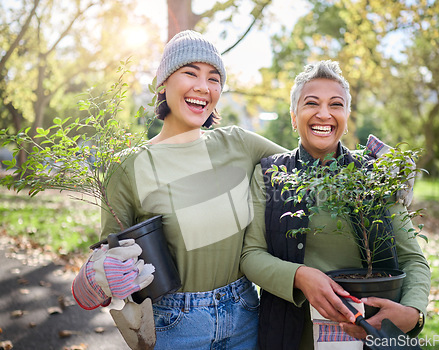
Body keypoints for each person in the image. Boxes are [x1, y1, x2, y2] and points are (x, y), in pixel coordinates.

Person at [71, 30, 288, 349]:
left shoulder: (240, 144)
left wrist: (376, 163)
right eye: (190, 73)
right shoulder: (129, 166)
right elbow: (108, 261)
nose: (203, 86)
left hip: (246, 314)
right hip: (173, 326)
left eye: (214, 78)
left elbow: (306, 167)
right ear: (163, 83)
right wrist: (97, 276)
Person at [240, 60, 431, 349]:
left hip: (371, 331)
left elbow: (412, 258)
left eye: (336, 105)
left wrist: (413, 313)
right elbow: (251, 254)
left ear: (347, 116)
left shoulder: (375, 174)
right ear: (294, 117)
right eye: (311, 103)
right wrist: (300, 277)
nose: (324, 114)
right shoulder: (269, 174)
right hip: (289, 332)